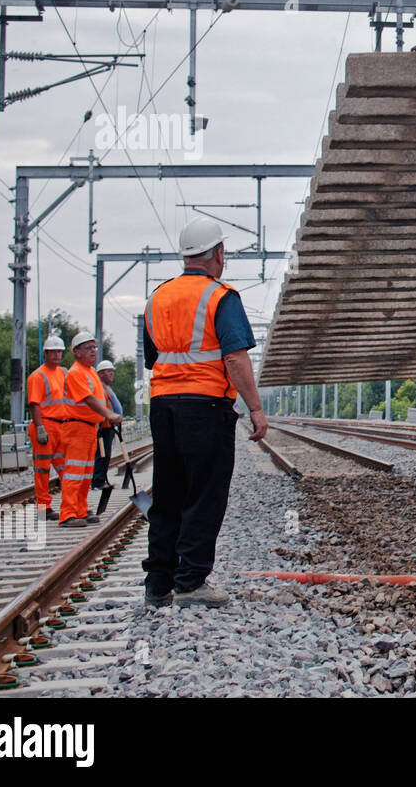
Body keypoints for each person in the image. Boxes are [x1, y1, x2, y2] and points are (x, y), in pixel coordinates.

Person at [142, 216, 268, 609]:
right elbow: (234, 357)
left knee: (167, 494)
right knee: (204, 494)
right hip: (207, 405)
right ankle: (191, 581)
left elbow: (152, 357)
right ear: (217, 253)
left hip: (162, 405)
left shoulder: (157, 297)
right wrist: (256, 409)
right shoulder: (221, 297)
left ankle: (157, 584)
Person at [61, 332, 123, 527]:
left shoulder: (90, 373)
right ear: (76, 352)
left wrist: (106, 418)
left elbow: (100, 399)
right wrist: (109, 415)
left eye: (94, 347)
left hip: (90, 429)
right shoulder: (76, 373)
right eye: (89, 348)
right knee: (74, 472)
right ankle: (68, 513)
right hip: (77, 427)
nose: (93, 351)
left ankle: (80, 509)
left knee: (86, 473)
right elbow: (89, 399)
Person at [26, 334, 69, 520]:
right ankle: (44, 508)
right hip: (45, 426)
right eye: (53, 352)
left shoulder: (62, 373)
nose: (57, 355)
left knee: (66, 469)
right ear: (46, 353)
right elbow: (34, 404)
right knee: (42, 470)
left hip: (61, 427)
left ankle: (71, 506)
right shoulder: (37, 376)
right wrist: (40, 427)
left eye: (59, 351)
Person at [91, 359, 124, 489]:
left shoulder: (106, 388)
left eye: (112, 371)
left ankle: (101, 479)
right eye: (108, 371)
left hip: (109, 427)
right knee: (102, 455)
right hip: (103, 427)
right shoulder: (100, 388)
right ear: (100, 374)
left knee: (105, 455)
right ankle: (98, 481)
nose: (111, 374)